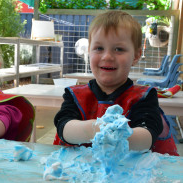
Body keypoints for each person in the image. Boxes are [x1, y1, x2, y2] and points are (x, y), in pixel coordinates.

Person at [53, 11, 179, 156]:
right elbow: (63, 128)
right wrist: (95, 129)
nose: (107, 56)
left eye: (119, 49)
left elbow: (147, 136)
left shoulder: (144, 98)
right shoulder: (75, 96)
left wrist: (115, 136)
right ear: (89, 51)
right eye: (99, 48)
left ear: (136, 55)